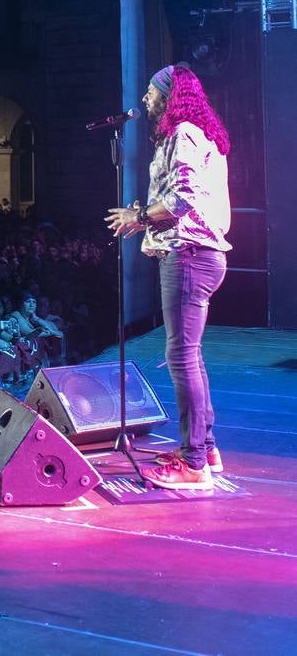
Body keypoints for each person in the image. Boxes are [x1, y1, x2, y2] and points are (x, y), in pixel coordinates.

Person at [106, 63, 231, 491]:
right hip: (195, 254)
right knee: (189, 356)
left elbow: (183, 199)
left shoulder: (184, 135)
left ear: (169, 95)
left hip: (189, 256)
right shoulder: (192, 134)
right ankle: (205, 448)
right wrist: (144, 219)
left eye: (151, 92)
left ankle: (195, 462)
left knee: (181, 358)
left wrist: (140, 215)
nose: (144, 99)